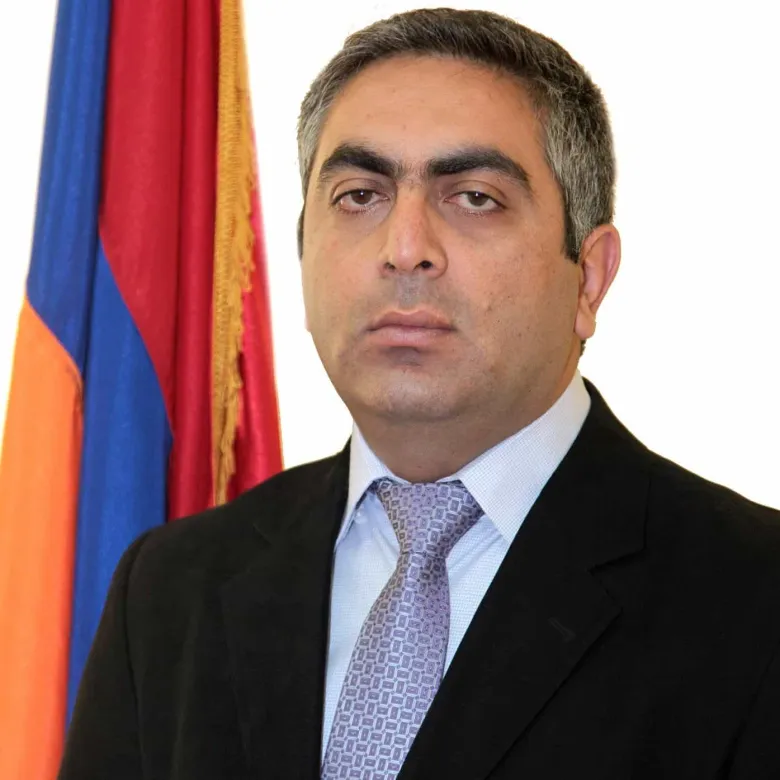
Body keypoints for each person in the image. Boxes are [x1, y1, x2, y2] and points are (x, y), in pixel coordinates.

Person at [59, 8, 780, 779]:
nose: (404, 249)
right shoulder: (168, 591)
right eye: (358, 196)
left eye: (473, 197)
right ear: (303, 255)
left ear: (589, 278)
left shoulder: (754, 600)